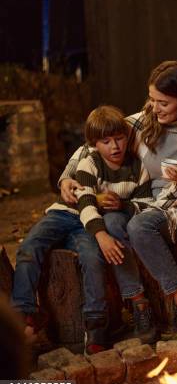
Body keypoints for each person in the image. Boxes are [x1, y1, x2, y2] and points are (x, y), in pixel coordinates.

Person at [60, 61, 177, 338]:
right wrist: (66, 178)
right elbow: (91, 146)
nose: (155, 107)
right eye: (151, 99)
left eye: (163, 102)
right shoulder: (140, 122)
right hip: (139, 202)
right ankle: (139, 305)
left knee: (139, 226)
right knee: (115, 223)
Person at [11, 124, 106, 355]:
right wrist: (64, 182)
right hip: (62, 213)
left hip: (88, 223)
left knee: (92, 258)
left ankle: (96, 326)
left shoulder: (124, 161)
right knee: (29, 248)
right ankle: (24, 315)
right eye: (101, 140)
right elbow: (67, 173)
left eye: (116, 139)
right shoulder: (84, 152)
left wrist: (99, 200)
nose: (111, 145)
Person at [74, 105, 154, 350]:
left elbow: (147, 203)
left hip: (128, 221)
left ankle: (139, 304)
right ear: (95, 144)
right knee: (108, 223)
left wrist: (124, 204)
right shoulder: (89, 163)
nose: (115, 147)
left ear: (127, 137)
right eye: (106, 141)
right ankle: (138, 302)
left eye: (119, 139)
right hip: (100, 225)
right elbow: (84, 201)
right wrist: (101, 237)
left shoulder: (138, 166)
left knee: (114, 220)